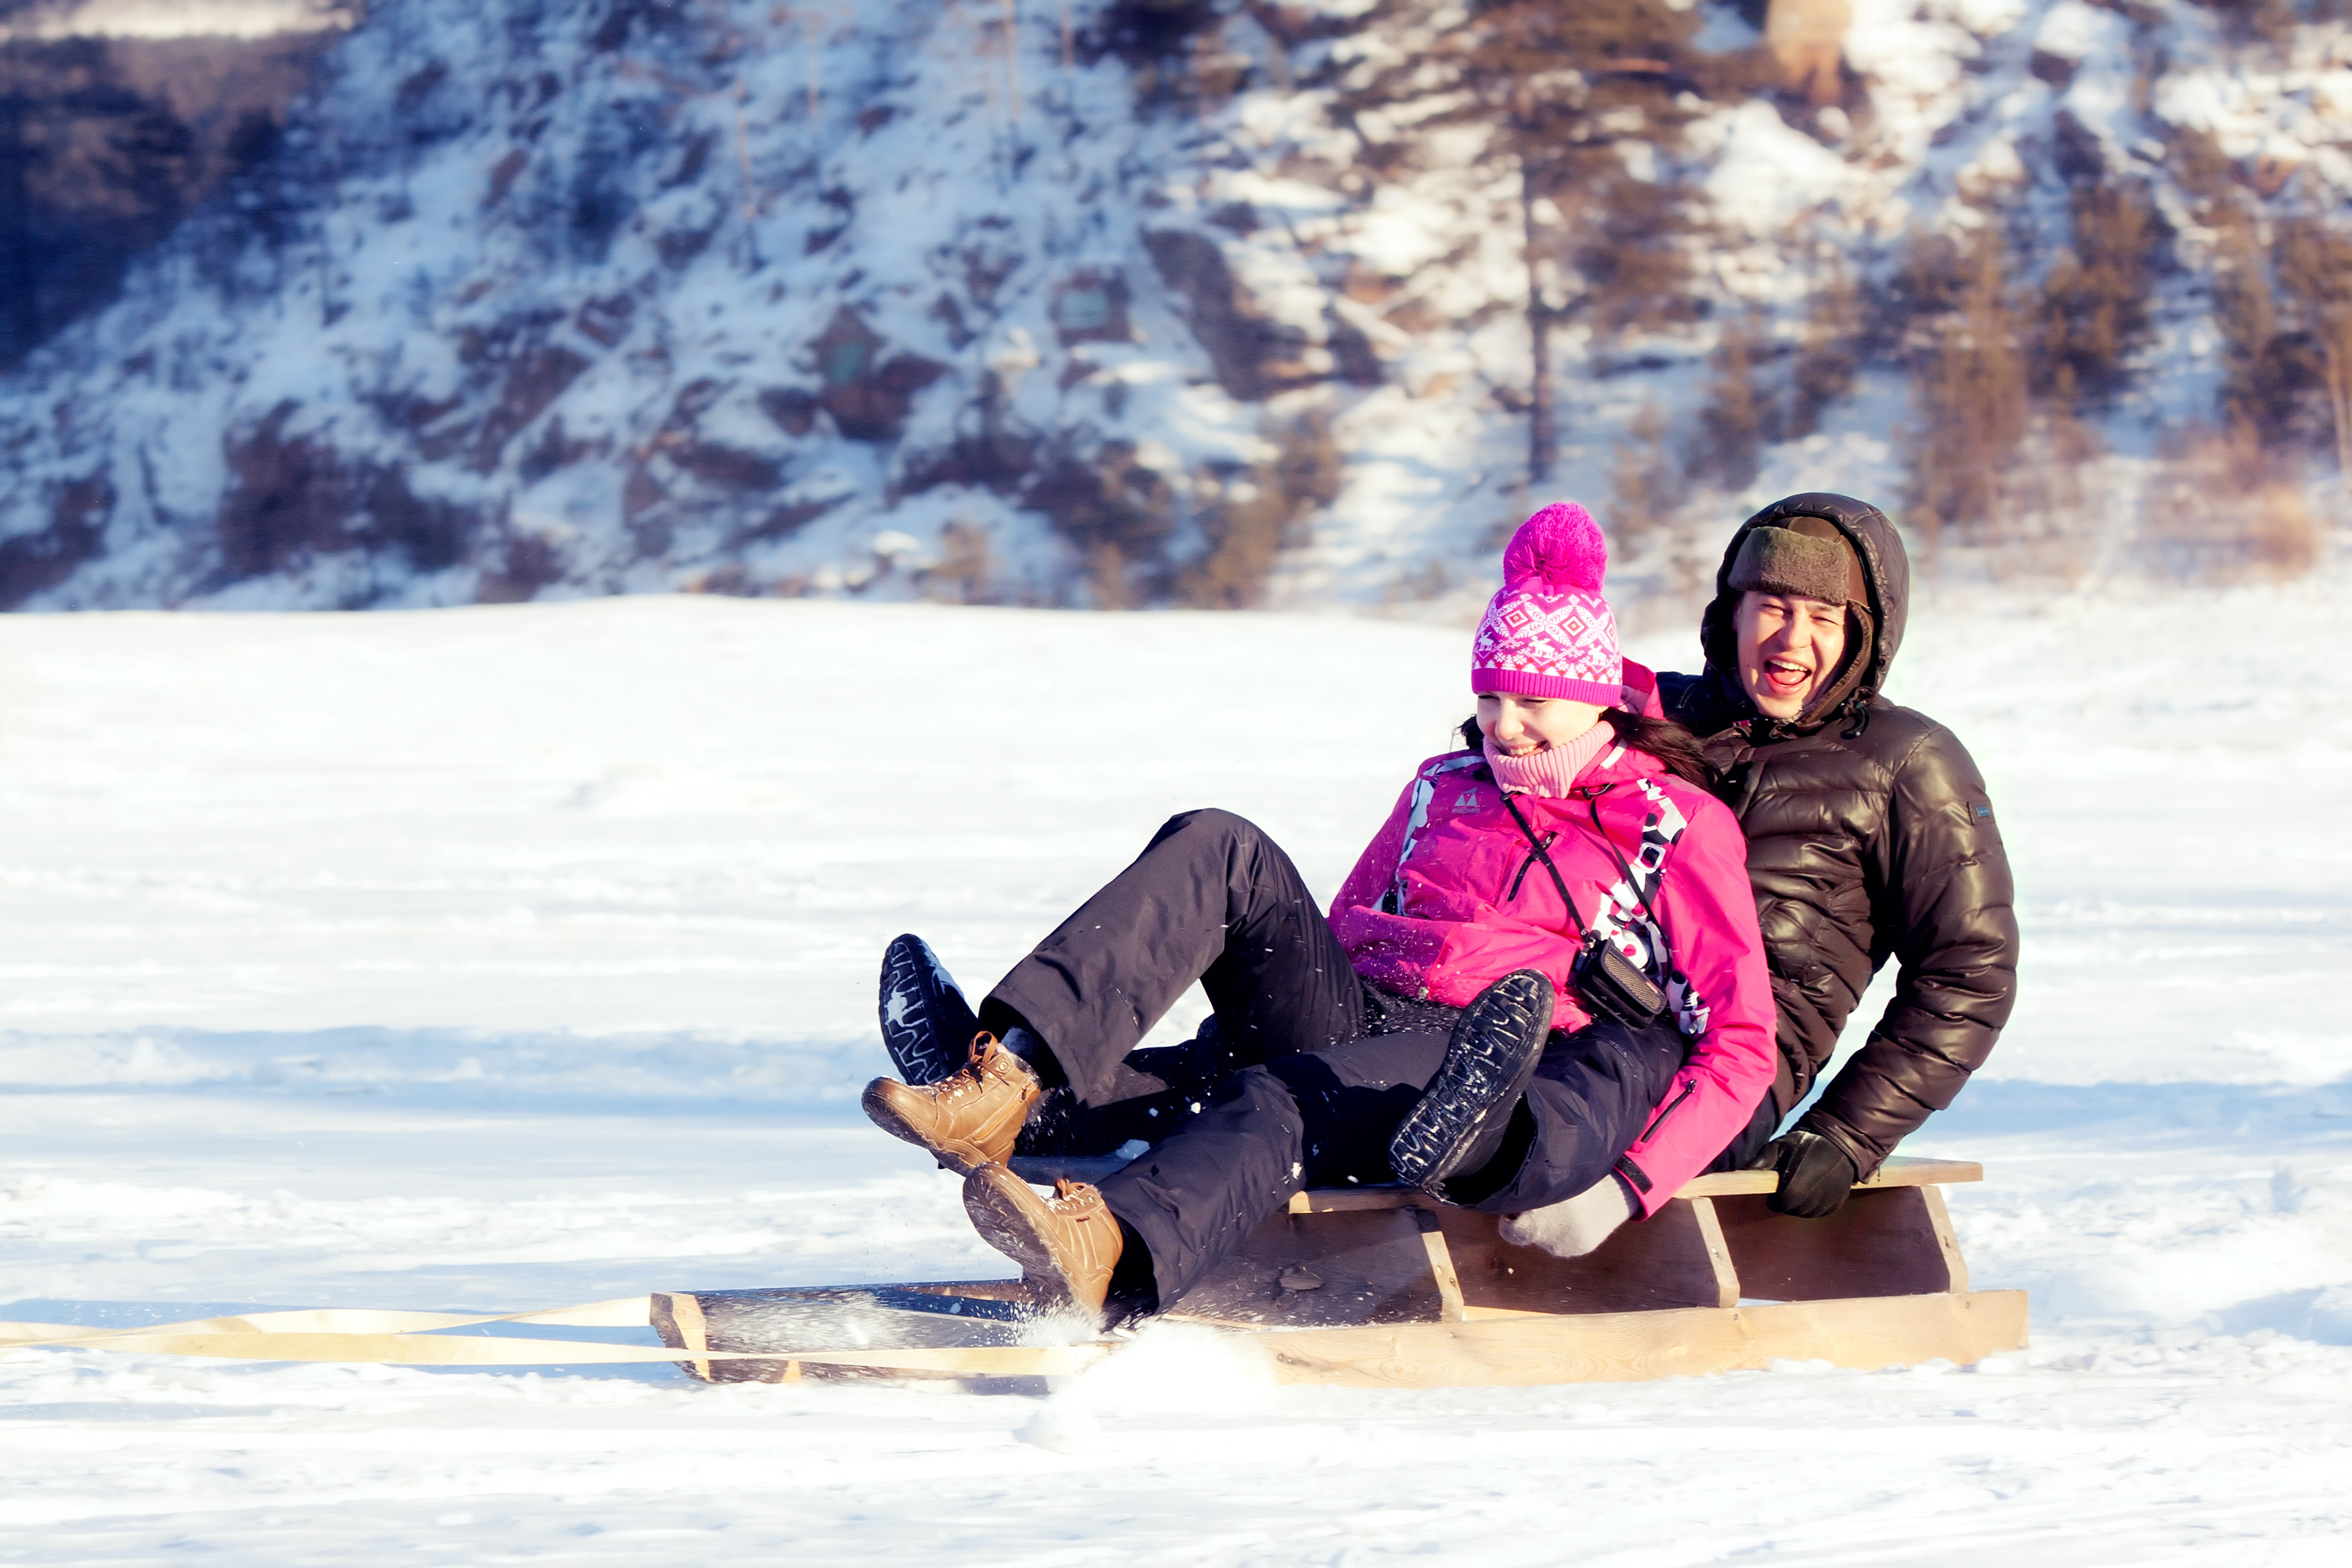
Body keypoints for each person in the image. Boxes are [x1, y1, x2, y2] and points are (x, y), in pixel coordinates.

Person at [858, 503, 1776, 1322]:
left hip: (1474, 1057)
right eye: (1488, 697)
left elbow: (1737, 1042)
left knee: (1276, 1091)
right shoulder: (1442, 784)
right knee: (1218, 842)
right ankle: (1007, 1079)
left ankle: (1116, 1251)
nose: (1502, 727)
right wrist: (1250, 1024)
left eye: (1531, 702)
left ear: (1589, 701)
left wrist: (1631, 1185)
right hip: (1365, 1011)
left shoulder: (1668, 826)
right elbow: (1340, 931)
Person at [1658, 493, 2019, 1216]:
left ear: (1864, 635)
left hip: (1711, 1079)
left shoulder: (1907, 763)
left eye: (1823, 617)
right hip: (1564, 1019)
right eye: (1771, 605)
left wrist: (1847, 1132)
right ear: (1730, 610)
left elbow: (1970, 968)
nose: (1792, 640)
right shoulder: (1652, 719)